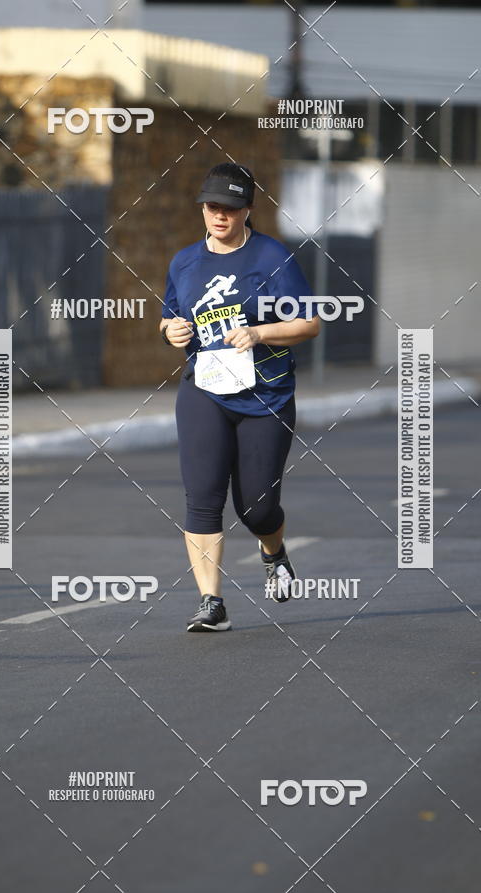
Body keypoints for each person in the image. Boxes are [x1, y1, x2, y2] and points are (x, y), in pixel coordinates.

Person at [159, 162, 320, 632]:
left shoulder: (271, 257)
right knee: (202, 498)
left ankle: (274, 551)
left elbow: (309, 323)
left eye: (230, 208)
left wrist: (259, 332)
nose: (220, 215)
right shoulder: (184, 262)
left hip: (266, 395)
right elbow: (169, 316)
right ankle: (211, 602)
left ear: (248, 209)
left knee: (257, 508)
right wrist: (170, 330)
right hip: (204, 390)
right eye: (212, 207)